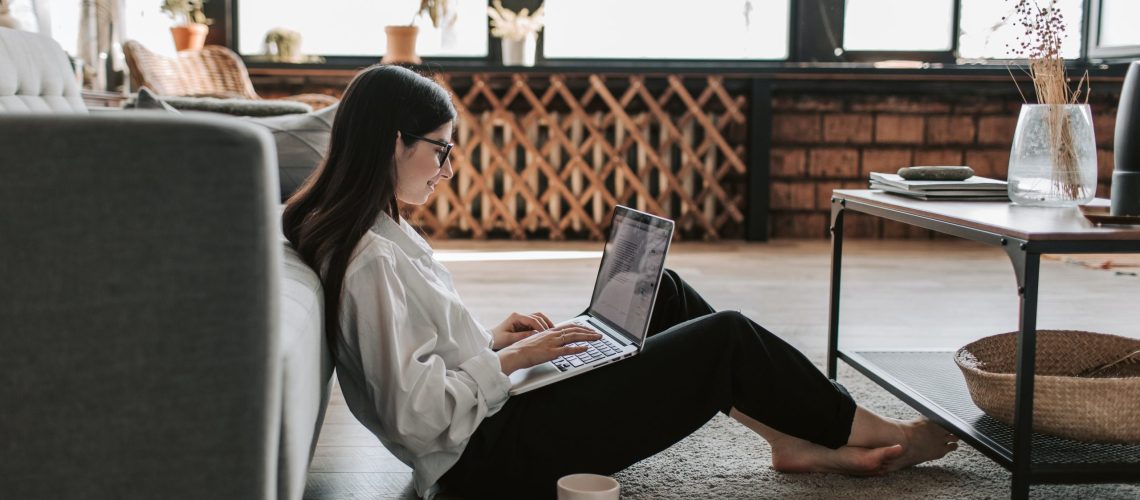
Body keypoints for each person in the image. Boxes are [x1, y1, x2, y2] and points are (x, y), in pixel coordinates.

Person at [282, 65, 959, 500]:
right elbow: (415, 415)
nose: (448, 167)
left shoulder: (379, 232)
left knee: (660, 292)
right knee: (724, 339)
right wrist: (513, 362)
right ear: (394, 143)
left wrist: (494, 341)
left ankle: (788, 438)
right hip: (485, 463)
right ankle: (872, 428)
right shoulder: (371, 257)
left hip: (493, 418)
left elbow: (415, 363)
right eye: (441, 150)